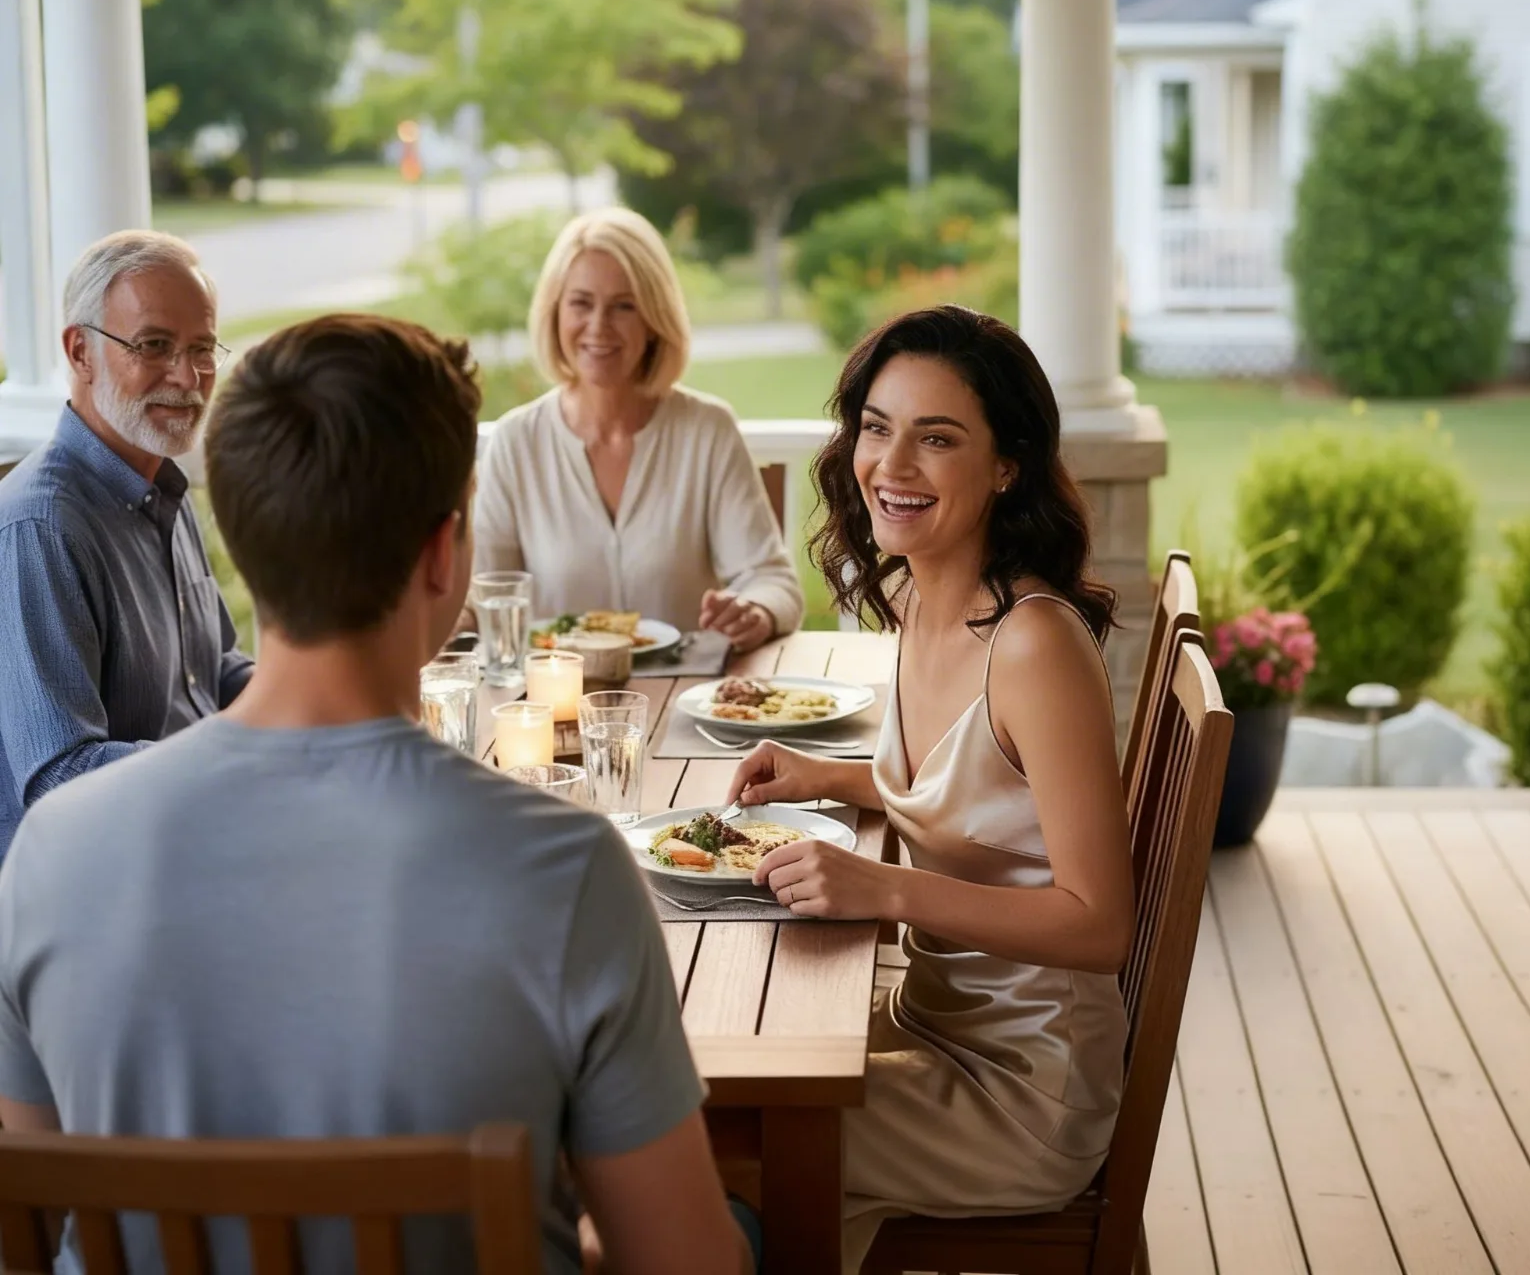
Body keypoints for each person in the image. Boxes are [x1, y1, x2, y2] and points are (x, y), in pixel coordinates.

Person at [0, 314, 752, 1275]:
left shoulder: (49, 853)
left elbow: (45, 1223)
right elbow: (683, 1265)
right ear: (444, 554)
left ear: (241, 535)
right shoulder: (564, 871)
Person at [726, 305, 1135, 1272]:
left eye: (937, 438)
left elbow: (1100, 923)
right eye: (877, 427)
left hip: (1022, 1090)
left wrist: (888, 889)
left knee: (710, 1142)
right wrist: (828, 776)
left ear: (1006, 465)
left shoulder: (1034, 646)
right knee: (705, 1083)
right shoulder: (921, 596)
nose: (891, 465)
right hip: (927, 1021)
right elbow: (976, 794)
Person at [0, 229, 252, 860]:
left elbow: (212, 674)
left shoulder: (162, 481)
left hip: (194, 834)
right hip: (102, 890)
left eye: (202, 348)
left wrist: (327, 698)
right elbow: (61, 777)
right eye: (154, 345)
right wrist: (243, 763)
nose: (188, 376)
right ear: (80, 351)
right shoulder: (42, 529)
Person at [473, 207, 801, 652]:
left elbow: (771, 581)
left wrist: (755, 612)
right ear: (555, 312)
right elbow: (486, 594)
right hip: (555, 704)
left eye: (624, 306)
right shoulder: (516, 441)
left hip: (687, 702)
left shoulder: (707, 431)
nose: (598, 327)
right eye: (581, 303)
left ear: (653, 319)